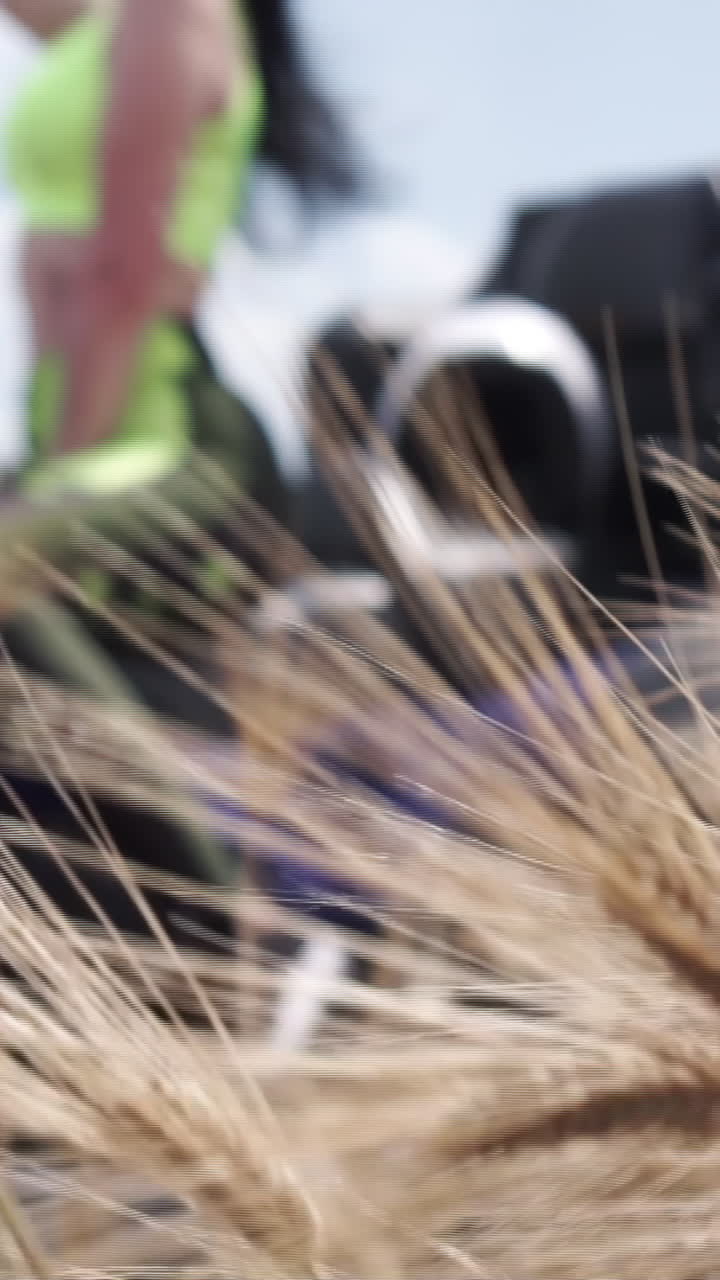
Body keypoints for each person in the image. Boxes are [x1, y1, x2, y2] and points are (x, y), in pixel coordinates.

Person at [2, 0, 361, 507]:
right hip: (70, 433)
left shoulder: (174, 9)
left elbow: (122, 277)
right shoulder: (108, 21)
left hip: (151, 438)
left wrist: (54, 476)